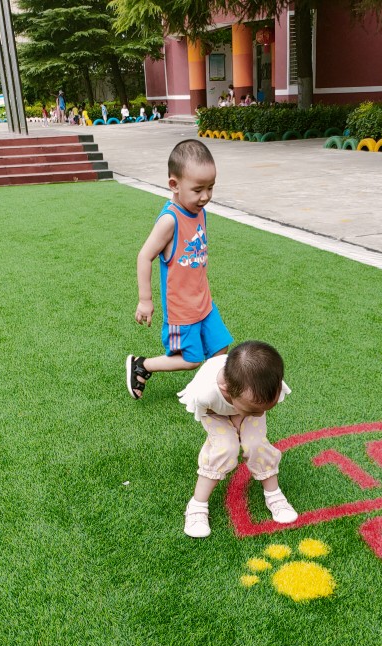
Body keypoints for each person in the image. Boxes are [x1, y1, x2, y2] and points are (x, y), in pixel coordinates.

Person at [127, 139, 233, 402]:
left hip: (203, 301)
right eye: (198, 190)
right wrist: (145, 300)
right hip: (182, 309)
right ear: (174, 185)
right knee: (190, 359)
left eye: (210, 187)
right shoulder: (169, 220)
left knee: (220, 346)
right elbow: (144, 256)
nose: (205, 196)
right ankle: (142, 365)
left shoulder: (198, 210)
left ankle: (212, 394)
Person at [178, 341, 298, 537]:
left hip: (243, 407)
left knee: (256, 444)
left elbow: (256, 409)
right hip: (214, 412)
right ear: (226, 390)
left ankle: (273, 494)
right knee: (225, 448)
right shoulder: (205, 392)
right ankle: (197, 505)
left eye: (265, 409)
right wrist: (233, 423)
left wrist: (246, 414)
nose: (260, 415)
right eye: (255, 411)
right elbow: (204, 411)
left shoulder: (263, 385)